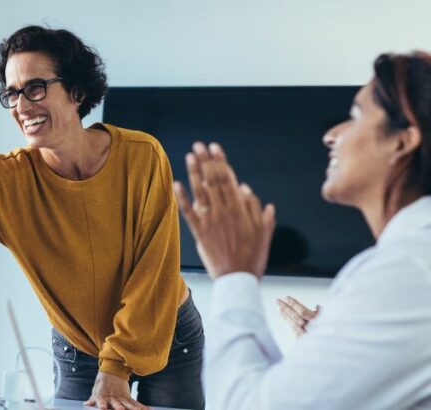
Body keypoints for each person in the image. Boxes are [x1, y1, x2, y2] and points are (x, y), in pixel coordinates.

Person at [0, 26, 203, 409]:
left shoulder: (143, 156)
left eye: (34, 87)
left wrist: (116, 366)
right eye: (12, 93)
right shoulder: (4, 181)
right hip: (78, 349)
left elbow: (154, 272)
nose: (21, 106)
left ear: (76, 91)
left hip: (167, 332)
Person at [176, 52, 431, 409]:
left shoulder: (404, 273)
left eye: (355, 116)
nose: (331, 135)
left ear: (401, 141)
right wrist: (336, 343)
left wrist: (234, 275)